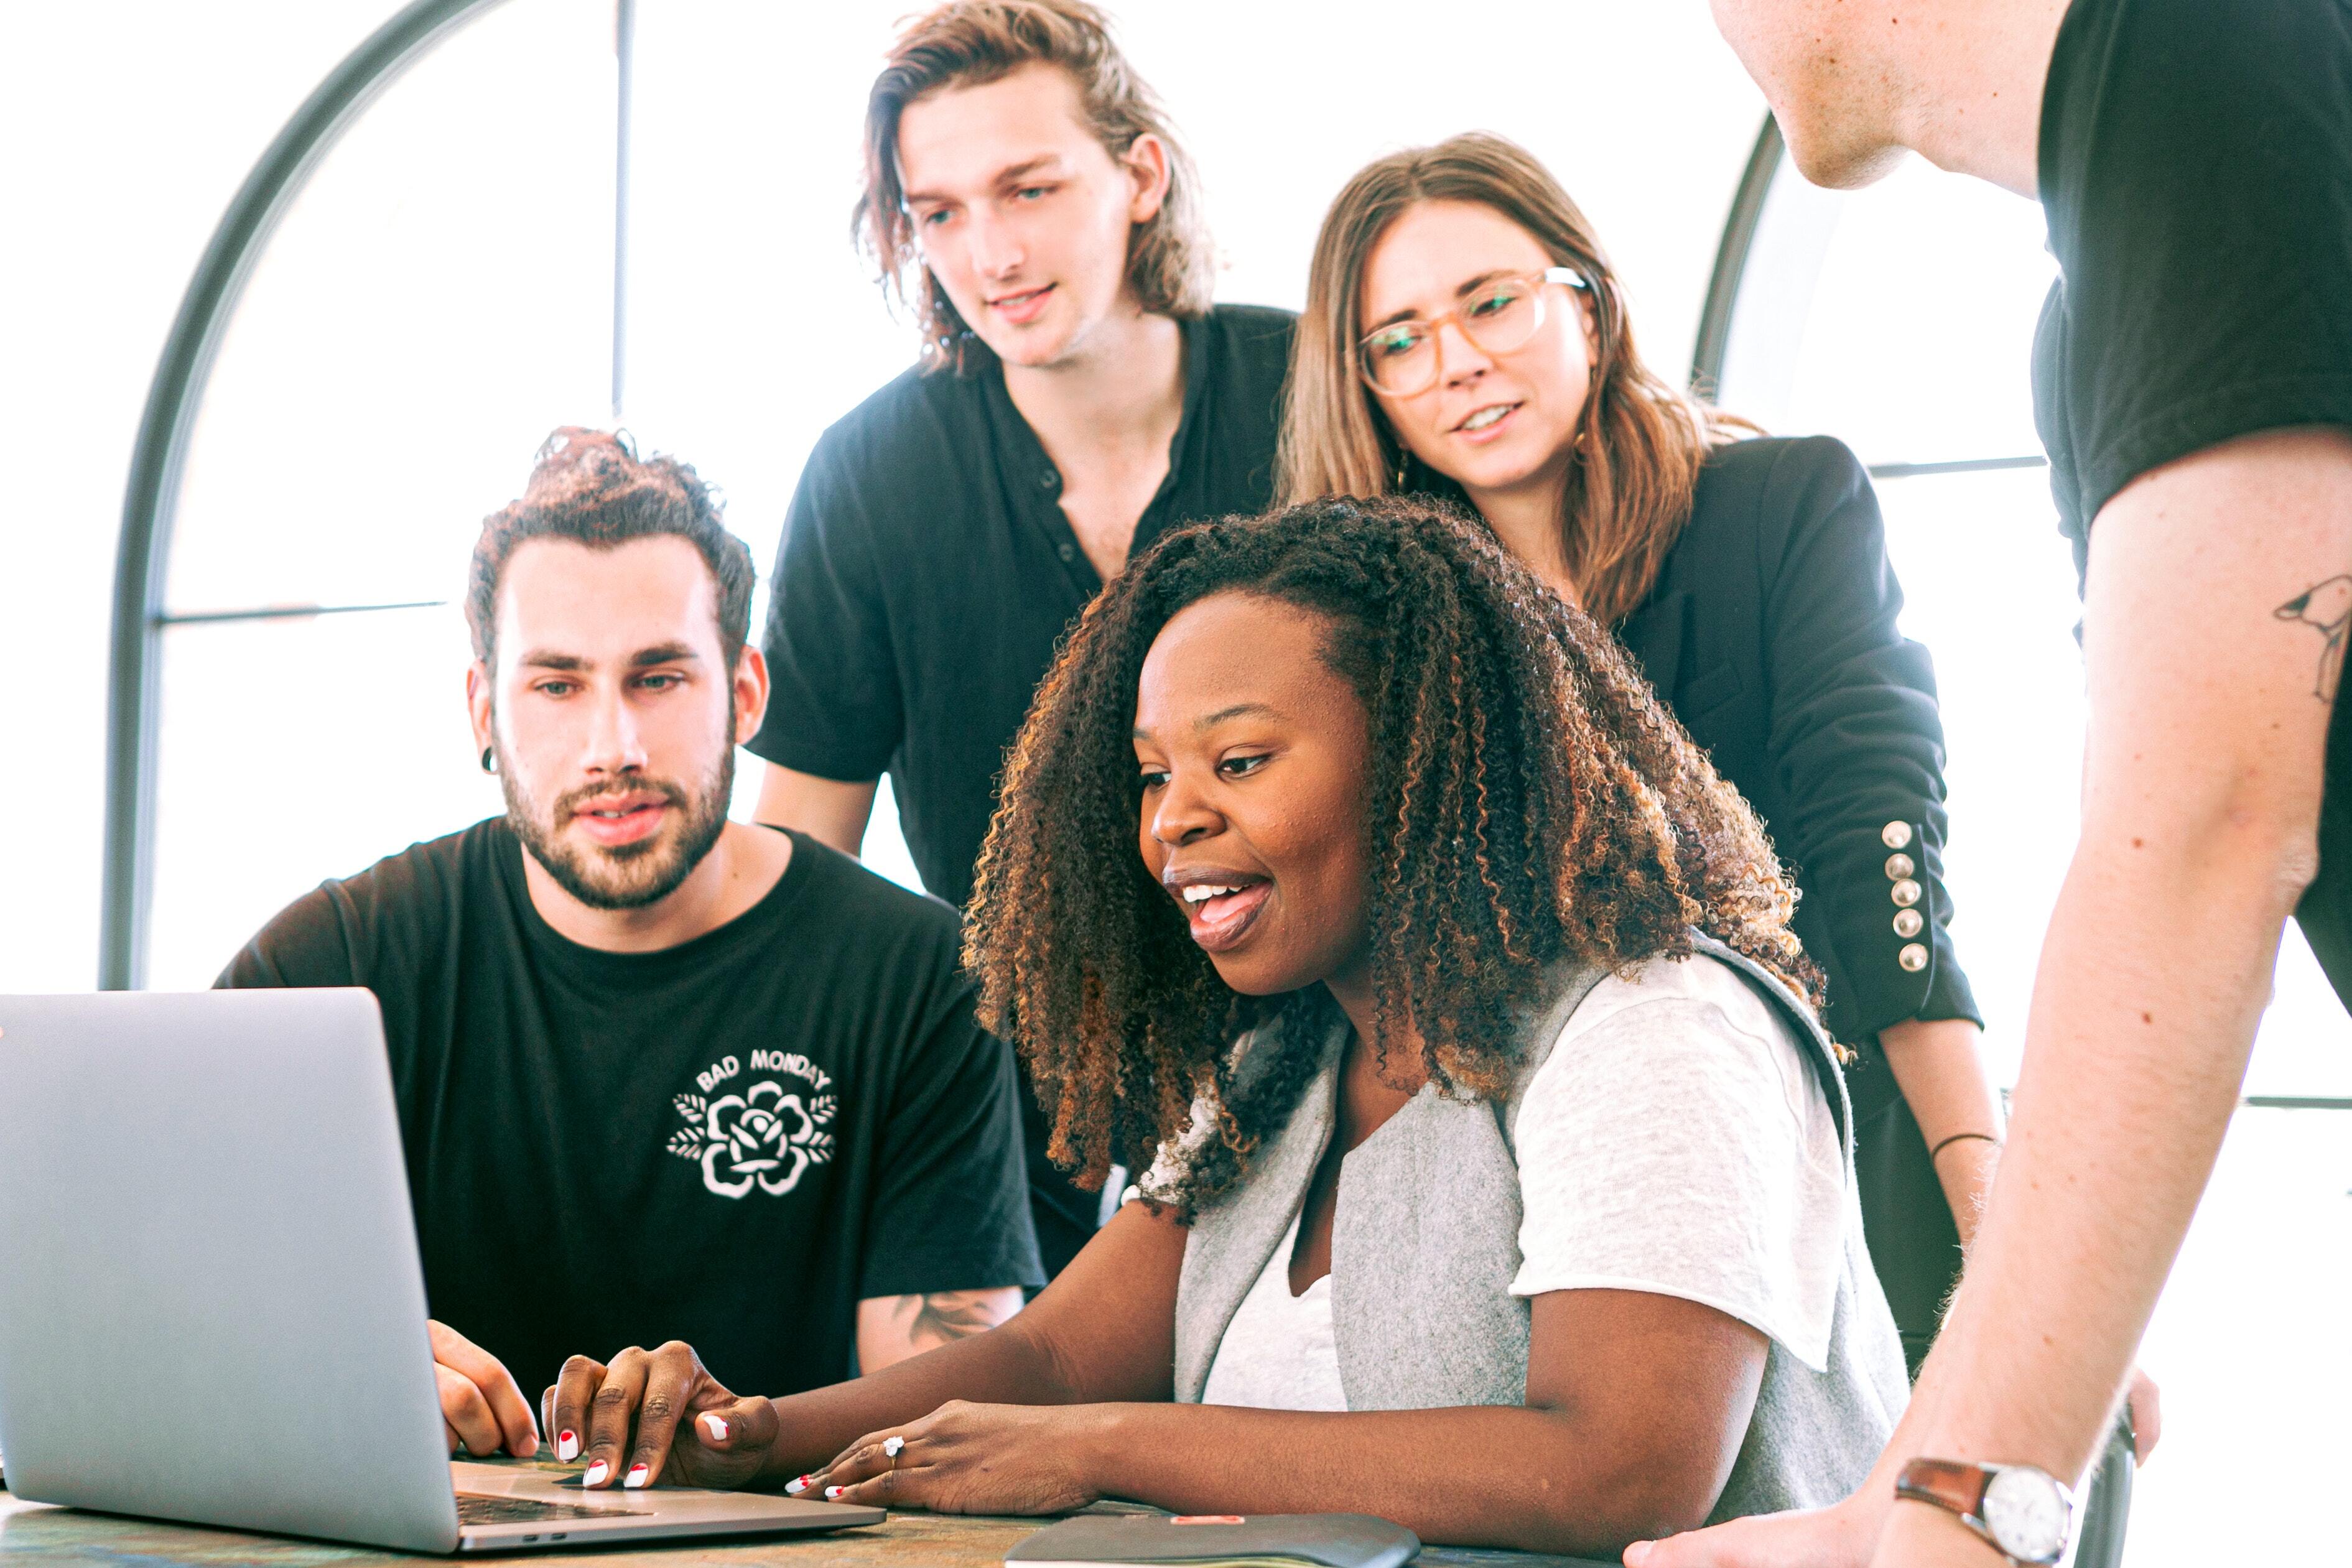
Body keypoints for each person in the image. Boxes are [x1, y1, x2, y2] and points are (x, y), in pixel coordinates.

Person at [532, 496, 1910, 1556]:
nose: (1171, 820)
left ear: (1424, 751)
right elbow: (1053, 1356)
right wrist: (745, 1435)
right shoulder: (1289, 1061)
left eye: (1238, 761)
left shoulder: (1652, 1022)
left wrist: (1113, 1447)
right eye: (1150, 776)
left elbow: (1620, 1463)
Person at [1637, 2, 2352, 1566]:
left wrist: (1966, 1508)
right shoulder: (2098, 273)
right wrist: (1915, 1486)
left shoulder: (2211, 51)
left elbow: (2207, 832)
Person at [1283, 131, 1997, 1371]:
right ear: (1367, 392)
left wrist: (1986, 1190)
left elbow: (1879, 842)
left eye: (1489, 303)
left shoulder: (1780, 508)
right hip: (1529, 1177)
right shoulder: (1364, 631)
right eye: (1396, 340)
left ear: (1590, 304)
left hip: (1824, 1117)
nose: (1454, 363)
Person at [220, 429, 1043, 1472]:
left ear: (744, 692)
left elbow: (942, 1423)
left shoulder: (916, 973)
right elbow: (156, 1290)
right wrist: (335, 1366)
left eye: (657, 678)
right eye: (557, 686)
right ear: (484, 710)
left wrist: (739, 1436)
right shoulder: (333, 960)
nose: (614, 745)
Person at [745, 1, 1295, 1275]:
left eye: (1028, 188)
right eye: (938, 213)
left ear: (1138, 173)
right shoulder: (869, 476)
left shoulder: (1311, 392)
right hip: (1019, 1126)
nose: (988, 251)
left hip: (1337, 1074)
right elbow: (796, 875)